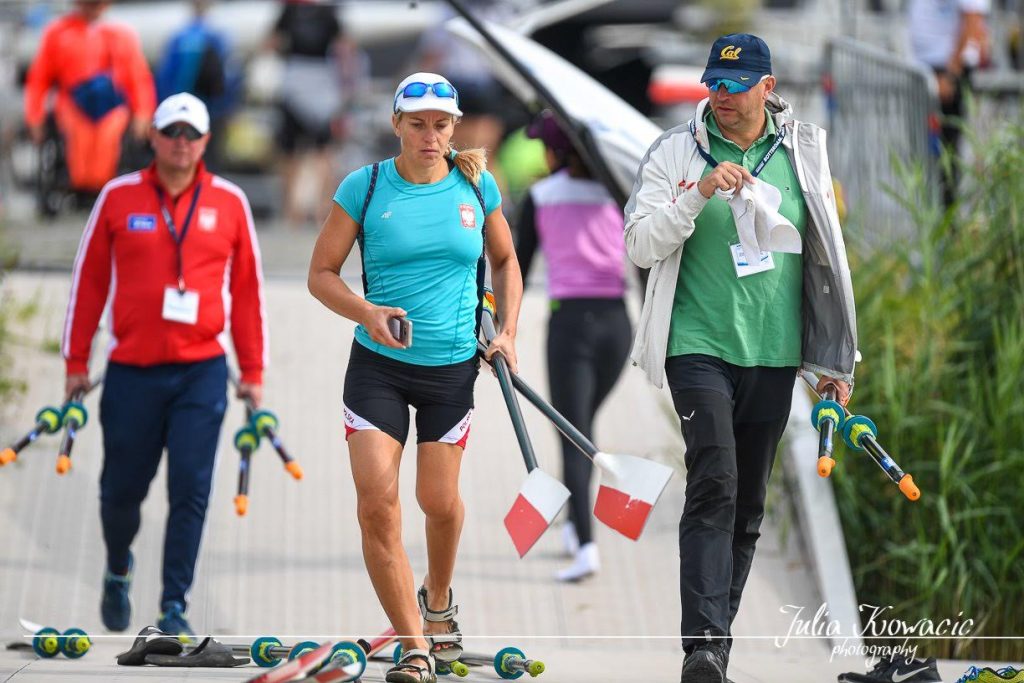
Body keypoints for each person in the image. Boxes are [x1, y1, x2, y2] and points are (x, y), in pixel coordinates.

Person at [623, 34, 858, 683]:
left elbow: (827, 261)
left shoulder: (803, 152)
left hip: (775, 354)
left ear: (767, 85)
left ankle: (713, 652)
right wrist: (697, 191)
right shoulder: (675, 150)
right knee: (715, 480)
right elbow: (640, 244)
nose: (721, 96)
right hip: (697, 345)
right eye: (715, 84)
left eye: (736, 84)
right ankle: (701, 644)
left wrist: (836, 357)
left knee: (749, 503)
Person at [308, 72, 522, 683]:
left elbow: (506, 260)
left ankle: (439, 601)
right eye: (418, 123)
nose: (431, 136)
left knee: (440, 503)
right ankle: (414, 647)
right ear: (397, 123)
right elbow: (321, 273)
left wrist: (506, 332)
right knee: (378, 506)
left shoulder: (476, 186)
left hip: (452, 372)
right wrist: (368, 313)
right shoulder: (366, 186)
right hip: (377, 369)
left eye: (442, 125)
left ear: (455, 127)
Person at [61, 93, 267, 639]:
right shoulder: (117, 195)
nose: (180, 142)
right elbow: (89, 281)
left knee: (191, 488)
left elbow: (247, 292)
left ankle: (174, 602)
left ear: (205, 142)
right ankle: (118, 564)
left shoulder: (228, 201)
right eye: (170, 132)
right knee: (121, 491)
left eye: (191, 134)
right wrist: (76, 359)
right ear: (152, 136)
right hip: (131, 368)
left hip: (201, 371)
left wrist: (253, 371)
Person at [513, 111, 631, 583]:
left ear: (557, 153)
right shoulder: (620, 193)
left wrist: (500, 326)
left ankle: (585, 546)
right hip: (618, 325)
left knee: (575, 436)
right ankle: (575, 525)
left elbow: (515, 269)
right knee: (582, 429)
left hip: (571, 328)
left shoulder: (540, 196)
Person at [24, 0, 155, 199]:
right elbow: (39, 79)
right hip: (72, 101)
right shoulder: (58, 33)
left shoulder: (121, 35)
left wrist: (143, 114)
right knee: (77, 133)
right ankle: (81, 185)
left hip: (111, 104)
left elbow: (138, 79)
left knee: (111, 131)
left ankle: (102, 185)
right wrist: (35, 117)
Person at [268, 0, 360, 228]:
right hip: (307, 81)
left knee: (316, 151)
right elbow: (345, 46)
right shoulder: (293, 10)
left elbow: (272, 42)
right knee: (301, 152)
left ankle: (312, 210)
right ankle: (300, 211)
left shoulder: (315, 12)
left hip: (313, 80)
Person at [907, 0, 991, 207]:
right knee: (925, 154)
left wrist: (951, 76)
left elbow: (973, 25)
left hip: (946, 73)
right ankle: (933, 219)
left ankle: (947, 225)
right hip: (928, 70)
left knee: (946, 156)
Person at [156, 0, 233, 168]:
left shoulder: (180, 36)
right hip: (208, 107)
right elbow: (228, 76)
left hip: (183, 107)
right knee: (206, 154)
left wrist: (163, 103)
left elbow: (165, 74)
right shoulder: (218, 36)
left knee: (181, 151)